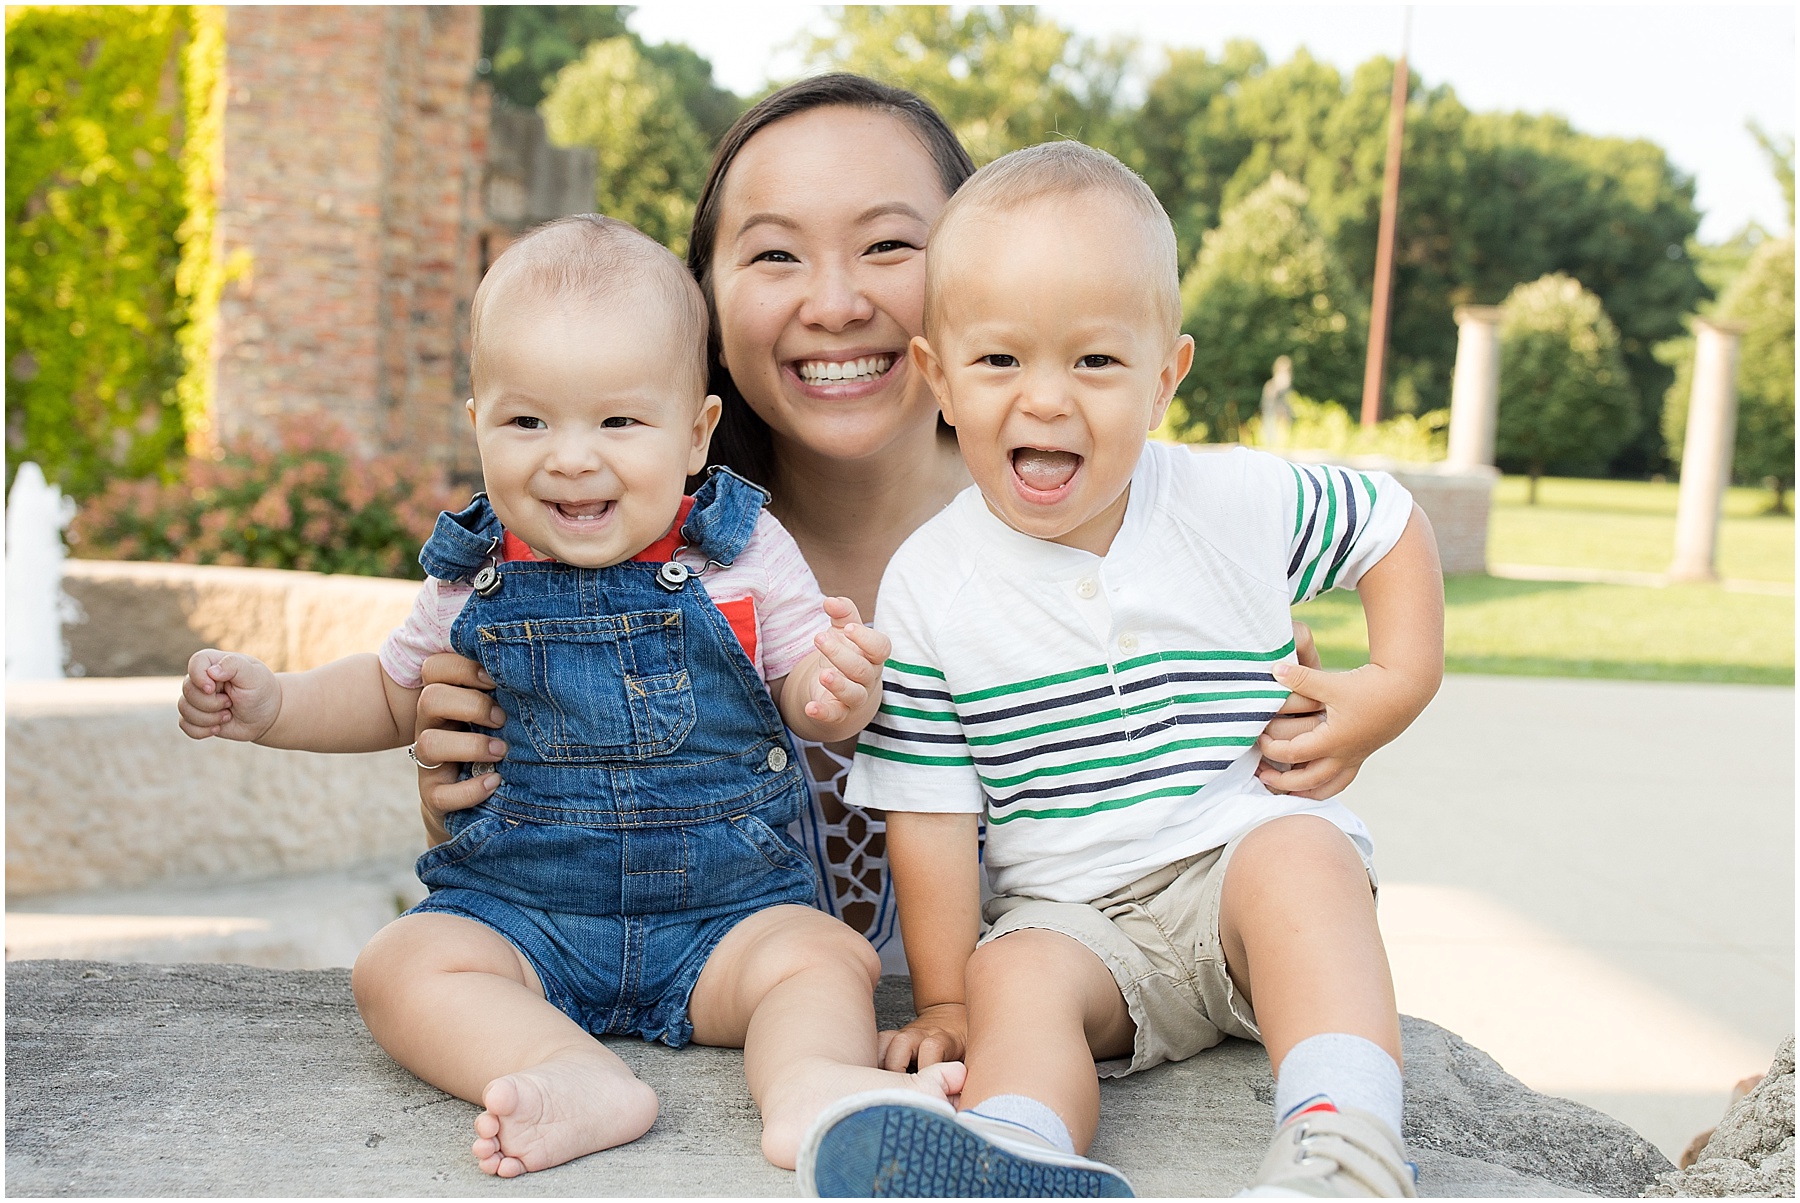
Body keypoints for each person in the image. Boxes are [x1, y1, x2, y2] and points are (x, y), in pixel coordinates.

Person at [412, 73, 1336, 987]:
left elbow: (1223, 894)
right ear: (705, 309)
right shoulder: (597, 549)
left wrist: (1284, 744)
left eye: (890, 244)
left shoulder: (1136, 548)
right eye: (775, 255)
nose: (837, 303)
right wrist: (469, 793)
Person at [175, 215, 963, 1179]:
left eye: (619, 421)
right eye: (528, 421)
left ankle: (810, 1083)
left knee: (820, 958)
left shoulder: (740, 555)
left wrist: (836, 689)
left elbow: (805, 694)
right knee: (399, 965)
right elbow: (390, 693)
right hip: (525, 917)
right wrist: (274, 707)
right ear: (477, 426)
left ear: (694, 433)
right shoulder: (471, 576)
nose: (571, 456)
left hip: (727, 918)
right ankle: (562, 1067)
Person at [795, 142, 1445, 1198]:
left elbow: (1390, 524)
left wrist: (1394, 687)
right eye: (1000, 361)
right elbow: (929, 810)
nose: (1046, 400)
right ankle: (1019, 1143)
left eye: (1095, 362)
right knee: (1015, 973)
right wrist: (952, 1004)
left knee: (1306, 864)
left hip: (1238, 867)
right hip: (1079, 923)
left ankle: (1342, 1139)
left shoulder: (1231, 503)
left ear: (1164, 377)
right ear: (939, 378)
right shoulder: (930, 584)